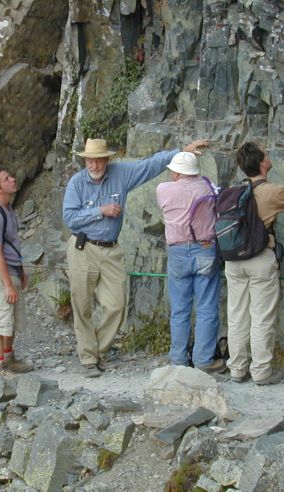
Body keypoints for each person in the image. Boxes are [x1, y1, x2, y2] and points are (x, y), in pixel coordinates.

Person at [63, 138, 210, 378]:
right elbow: (70, 218)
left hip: (111, 250)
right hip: (83, 249)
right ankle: (89, 358)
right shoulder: (76, 183)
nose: (94, 165)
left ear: (106, 160)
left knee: (117, 305)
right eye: (90, 160)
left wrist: (181, 152)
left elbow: (151, 165)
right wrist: (100, 211)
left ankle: (95, 349)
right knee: (81, 304)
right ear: (85, 160)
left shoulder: (121, 174)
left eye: (98, 160)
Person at [224, 142, 284, 384]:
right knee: (262, 316)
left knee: (237, 315)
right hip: (259, 258)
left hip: (233, 260)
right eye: (266, 155)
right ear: (263, 163)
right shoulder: (271, 192)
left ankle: (236, 369)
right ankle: (261, 372)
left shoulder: (235, 192)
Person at [156, 152, 224, 373]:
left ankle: (178, 359)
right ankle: (204, 360)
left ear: (177, 171)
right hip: (205, 248)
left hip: (177, 250)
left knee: (180, 308)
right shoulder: (207, 188)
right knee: (206, 306)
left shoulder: (163, 189)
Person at [0, 169, 33, 375]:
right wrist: (8, 283)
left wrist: (19, 271)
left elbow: (11, 246)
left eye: (10, 177)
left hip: (10, 271)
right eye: (6, 179)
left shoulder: (6, 208)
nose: (13, 180)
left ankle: (9, 359)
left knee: (11, 319)